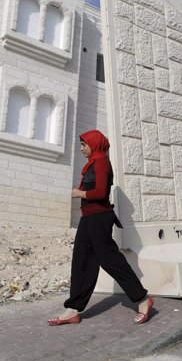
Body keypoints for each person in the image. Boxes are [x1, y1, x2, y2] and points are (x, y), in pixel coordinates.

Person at [48, 130, 154, 326]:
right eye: (80, 144)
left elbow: (100, 192)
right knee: (81, 261)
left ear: (94, 144)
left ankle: (143, 299)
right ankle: (73, 309)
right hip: (89, 218)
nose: (81, 148)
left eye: (84, 144)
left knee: (110, 260)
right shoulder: (92, 163)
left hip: (99, 218)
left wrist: (79, 193)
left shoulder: (102, 162)